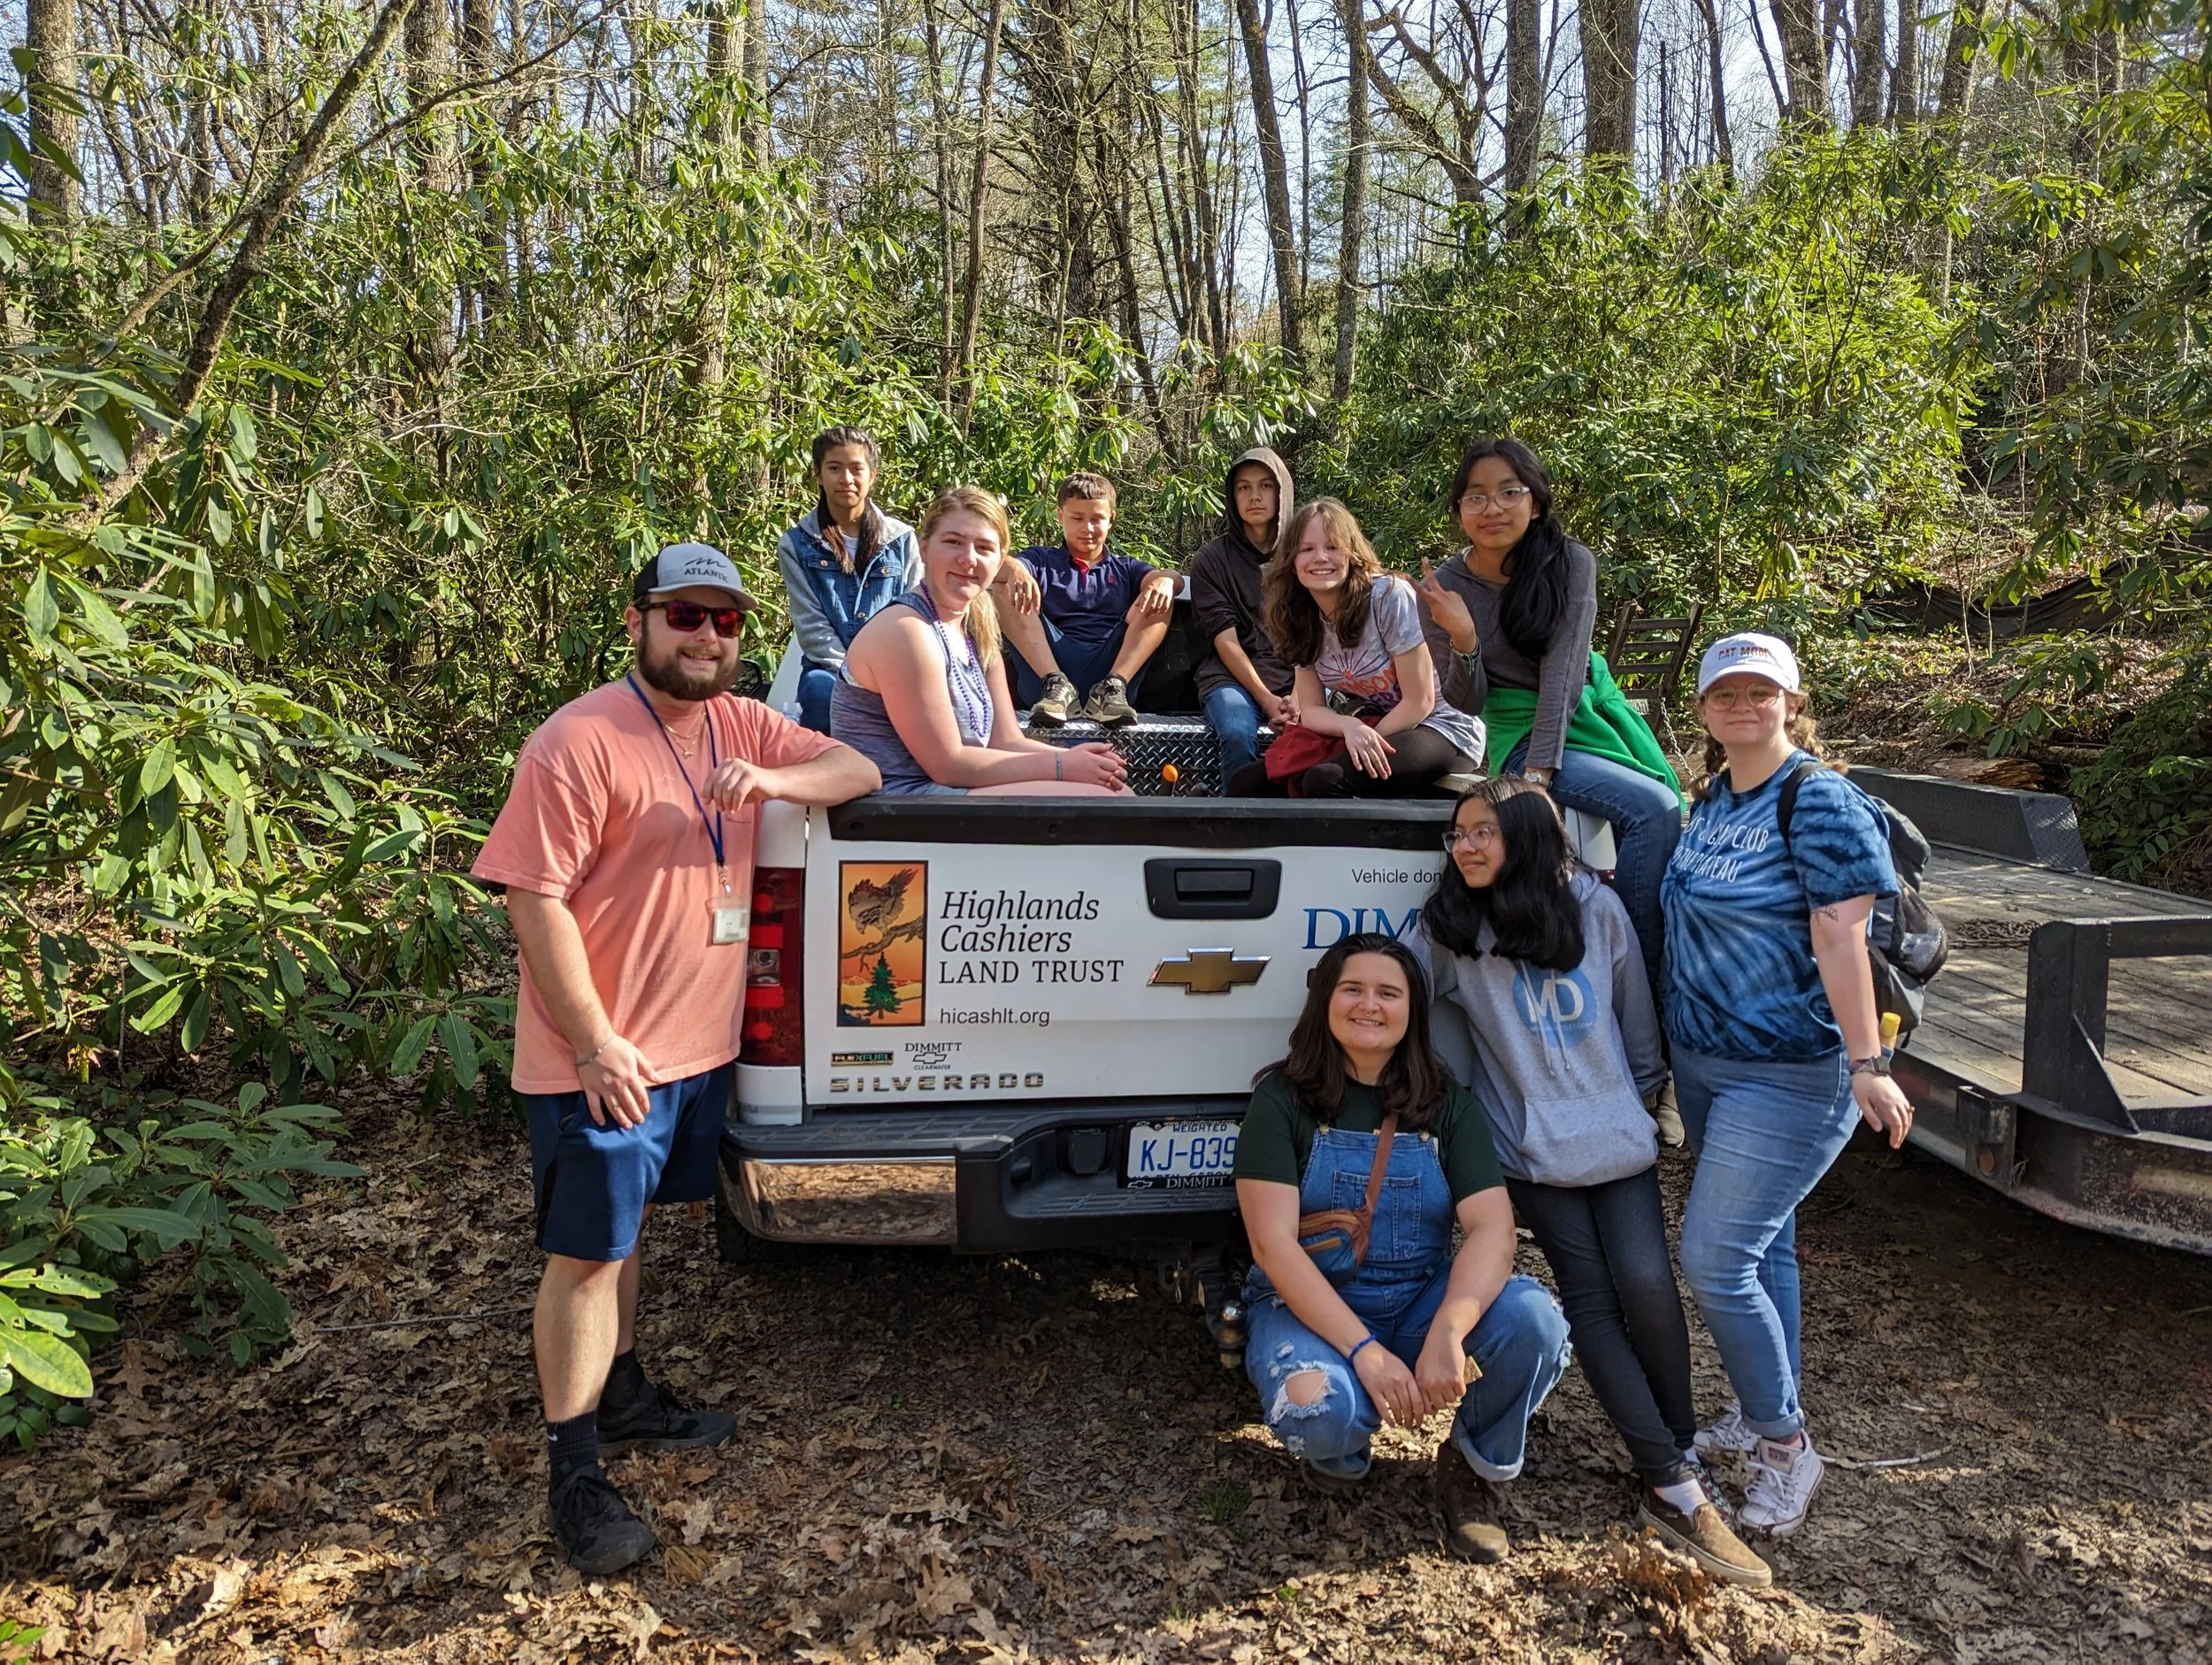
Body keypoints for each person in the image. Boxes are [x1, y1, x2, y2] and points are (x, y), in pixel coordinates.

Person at [472, 542, 882, 1575]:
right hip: (602, 1060)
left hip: (696, 1054)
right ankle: (574, 1473)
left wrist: (776, 775)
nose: (707, 637)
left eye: (726, 621)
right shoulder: (576, 741)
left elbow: (859, 768)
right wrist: (595, 1039)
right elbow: (535, 898)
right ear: (638, 622)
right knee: (587, 1256)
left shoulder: (739, 722)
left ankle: (622, 1396)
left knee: (630, 1235)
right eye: (685, 616)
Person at [1416, 779, 1771, 1587]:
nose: (1466, 847)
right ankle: (1670, 1479)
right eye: (1457, 834)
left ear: (1529, 837)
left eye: (1483, 832)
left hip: (1616, 1136)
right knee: (1592, 1299)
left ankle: (1674, 1446)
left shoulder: (1595, 908)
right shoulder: (1451, 926)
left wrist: (1646, 1097)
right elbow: (1391, 987)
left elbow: (1634, 1018)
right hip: (1531, 1149)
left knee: (1650, 1284)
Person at [1661, 632, 1916, 1538]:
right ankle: (1756, 1402)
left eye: (1759, 692)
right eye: (1724, 692)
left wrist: (1867, 1064)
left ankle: (1784, 1446)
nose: (1741, 704)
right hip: (1706, 1063)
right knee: (1764, 1251)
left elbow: (1840, 939)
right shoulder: (1710, 800)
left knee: (1714, 1258)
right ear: (1701, 710)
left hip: (1793, 1071)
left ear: (1792, 703)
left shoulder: (1820, 801)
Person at [1234, 933, 1572, 1562]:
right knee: (1319, 1411)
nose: (1370, 1005)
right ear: (1325, 1002)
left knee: (1537, 1324)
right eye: (1352, 989)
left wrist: (1449, 1327)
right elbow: (1271, 1244)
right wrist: (1364, 1352)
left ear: (1413, 1009)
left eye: (1388, 992)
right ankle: (1341, 1445)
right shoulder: (1280, 1101)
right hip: (1308, 1304)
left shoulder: (1448, 1106)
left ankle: (1474, 1468)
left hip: (1419, 1296)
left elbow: (1493, 1230)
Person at [1413, 439, 1683, 994]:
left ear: (1534, 501)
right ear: (1459, 511)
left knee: (1658, 808)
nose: (1493, 509)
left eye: (1509, 493)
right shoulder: (1444, 586)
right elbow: (1464, 703)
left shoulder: (1570, 563)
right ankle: (1644, 980)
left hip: (1572, 719)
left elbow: (1564, 675)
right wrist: (1464, 639)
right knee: (1653, 808)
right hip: (1510, 729)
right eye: (1476, 497)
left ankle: (1645, 973)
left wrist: (1539, 779)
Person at [833, 487, 1133, 795]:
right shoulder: (907, 630)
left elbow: (1004, 741)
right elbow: (948, 765)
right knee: (1105, 800)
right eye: (953, 542)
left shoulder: (977, 626)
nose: (968, 559)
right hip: (896, 805)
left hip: (953, 794)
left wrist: (1075, 759)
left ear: (1001, 559)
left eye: (984, 548)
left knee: (1116, 791)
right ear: (924, 549)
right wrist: (1062, 767)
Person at [1238, 498, 1484, 798]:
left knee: (1325, 780)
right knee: (1247, 782)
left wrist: (1360, 739)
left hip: (1442, 728)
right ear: (1291, 561)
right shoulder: (1299, 615)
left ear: (1352, 553)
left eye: (1332, 547)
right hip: (1377, 725)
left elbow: (1420, 701)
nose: (1320, 558)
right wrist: (1349, 729)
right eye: (1307, 549)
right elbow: (1312, 709)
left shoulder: (1388, 597)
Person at [991, 472, 1176, 729]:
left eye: (1096, 519)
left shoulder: (1126, 568)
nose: (1087, 529)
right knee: (1003, 588)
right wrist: (1015, 569)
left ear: (1111, 519)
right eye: (1077, 518)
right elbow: (993, 566)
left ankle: (1113, 687)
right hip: (1046, 676)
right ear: (1060, 517)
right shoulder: (1041, 560)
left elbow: (1171, 578)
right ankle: (1056, 684)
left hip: (1111, 677)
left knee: (1160, 595)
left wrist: (1166, 580)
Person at [776, 426, 922, 733]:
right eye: (834, 468)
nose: (846, 479)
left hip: (896, 667)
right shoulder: (797, 544)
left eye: (857, 469)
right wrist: (856, 677)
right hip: (828, 670)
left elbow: (916, 614)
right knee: (820, 694)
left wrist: (885, 673)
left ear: (873, 474)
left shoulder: (901, 539)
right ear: (818, 474)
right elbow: (813, 629)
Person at [1188, 448, 1298, 789]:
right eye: (1243, 487)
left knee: (1311, 734)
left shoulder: (1306, 554)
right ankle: (1236, 827)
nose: (1254, 496)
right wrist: (1266, 699)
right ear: (1231, 495)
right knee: (1236, 733)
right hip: (1232, 678)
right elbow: (1226, 642)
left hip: (1301, 675)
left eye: (1265, 486)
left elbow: (1322, 632)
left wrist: (1299, 696)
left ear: (1281, 493)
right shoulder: (1210, 561)